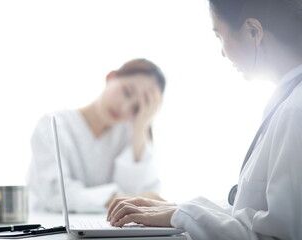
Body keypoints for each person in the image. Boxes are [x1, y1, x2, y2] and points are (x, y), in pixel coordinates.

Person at [107, 1, 302, 239]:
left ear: (253, 31)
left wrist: (180, 215)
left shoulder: (295, 111)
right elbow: (253, 212)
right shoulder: (287, 102)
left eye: (219, 35)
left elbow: (278, 235)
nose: (221, 51)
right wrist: (176, 210)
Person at [27, 58, 166, 213]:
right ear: (111, 77)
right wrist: (112, 199)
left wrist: (141, 127)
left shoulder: (131, 136)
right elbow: (55, 194)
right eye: (127, 92)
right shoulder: (52, 124)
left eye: (136, 108)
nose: (124, 108)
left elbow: (142, 200)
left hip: (108, 232)